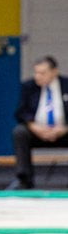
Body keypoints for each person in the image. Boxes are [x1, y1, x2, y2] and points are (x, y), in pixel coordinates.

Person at [11, 56, 68, 189]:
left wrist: (64, 128)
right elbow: (21, 112)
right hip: (37, 132)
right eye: (36, 72)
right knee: (19, 132)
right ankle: (24, 179)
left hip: (63, 131)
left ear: (54, 72)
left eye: (42, 73)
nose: (38, 76)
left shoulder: (66, 85)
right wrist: (34, 126)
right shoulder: (28, 86)